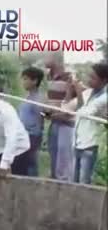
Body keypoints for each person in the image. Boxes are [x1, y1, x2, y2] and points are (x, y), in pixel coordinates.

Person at [71, 63, 108, 184]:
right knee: (73, 181)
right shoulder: (88, 92)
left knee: (84, 183)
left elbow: (83, 112)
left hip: (89, 146)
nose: (89, 80)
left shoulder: (104, 98)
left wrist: (78, 92)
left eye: (93, 77)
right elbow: (70, 106)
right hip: (77, 142)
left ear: (104, 80)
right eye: (89, 76)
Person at [44, 53, 74, 181]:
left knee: (64, 158)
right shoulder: (49, 76)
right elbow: (51, 99)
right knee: (53, 154)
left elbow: (73, 101)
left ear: (56, 59)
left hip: (66, 123)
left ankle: (65, 187)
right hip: (54, 121)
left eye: (47, 56)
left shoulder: (69, 77)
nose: (44, 58)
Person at [17, 67, 45, 177]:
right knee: (23, 163)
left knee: (30, 163)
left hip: (32, 135)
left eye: (25, 79)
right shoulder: (27, 97)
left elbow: (41, 116)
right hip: (23, 134)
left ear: (35, 81)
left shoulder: (38, 99)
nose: (23, 82)